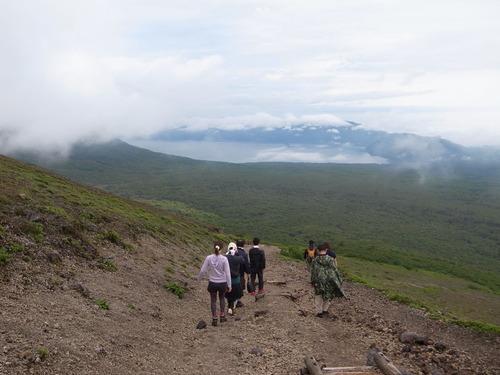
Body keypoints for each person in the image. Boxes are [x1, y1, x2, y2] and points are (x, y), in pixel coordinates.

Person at [197, 240, 232, 326]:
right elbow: (227, 273)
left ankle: (214, 318)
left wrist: (199, 280)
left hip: (212, 282)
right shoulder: (224, 259)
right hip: (222, 282)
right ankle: (222, 315)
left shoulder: (209, 258)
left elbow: (202, 271)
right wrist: (229, 285)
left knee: (213, 300)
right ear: (222, 249)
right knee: (222, 298)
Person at [310, 243, 345, 317]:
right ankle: (325, 310)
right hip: (329, 280)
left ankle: (319, 312)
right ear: (326, 250)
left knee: (318, 296)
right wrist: (339, 280)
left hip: (318, 281)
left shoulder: (315, 260)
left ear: (318, 250)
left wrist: (312, 281)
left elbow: (313, 272)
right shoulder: (330, 259)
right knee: (328, 295)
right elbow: (334, 270)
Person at [225, 242, 244, 315]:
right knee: (236, 295)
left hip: (227, 279)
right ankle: (232, 307)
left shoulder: (225, 257)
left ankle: (229, 306)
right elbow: (243, 260)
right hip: (236, 279)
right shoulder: (237, 258)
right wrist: (237, 253)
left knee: (229, 295)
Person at [235, 239, 251, 308]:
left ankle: (232, 302)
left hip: (231, 273)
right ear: (243, 245)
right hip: (240, 273)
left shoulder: (231, 252)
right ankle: (237, 301)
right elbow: (246, 265)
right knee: (240, 287)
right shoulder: (244, 254)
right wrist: (248, 273)